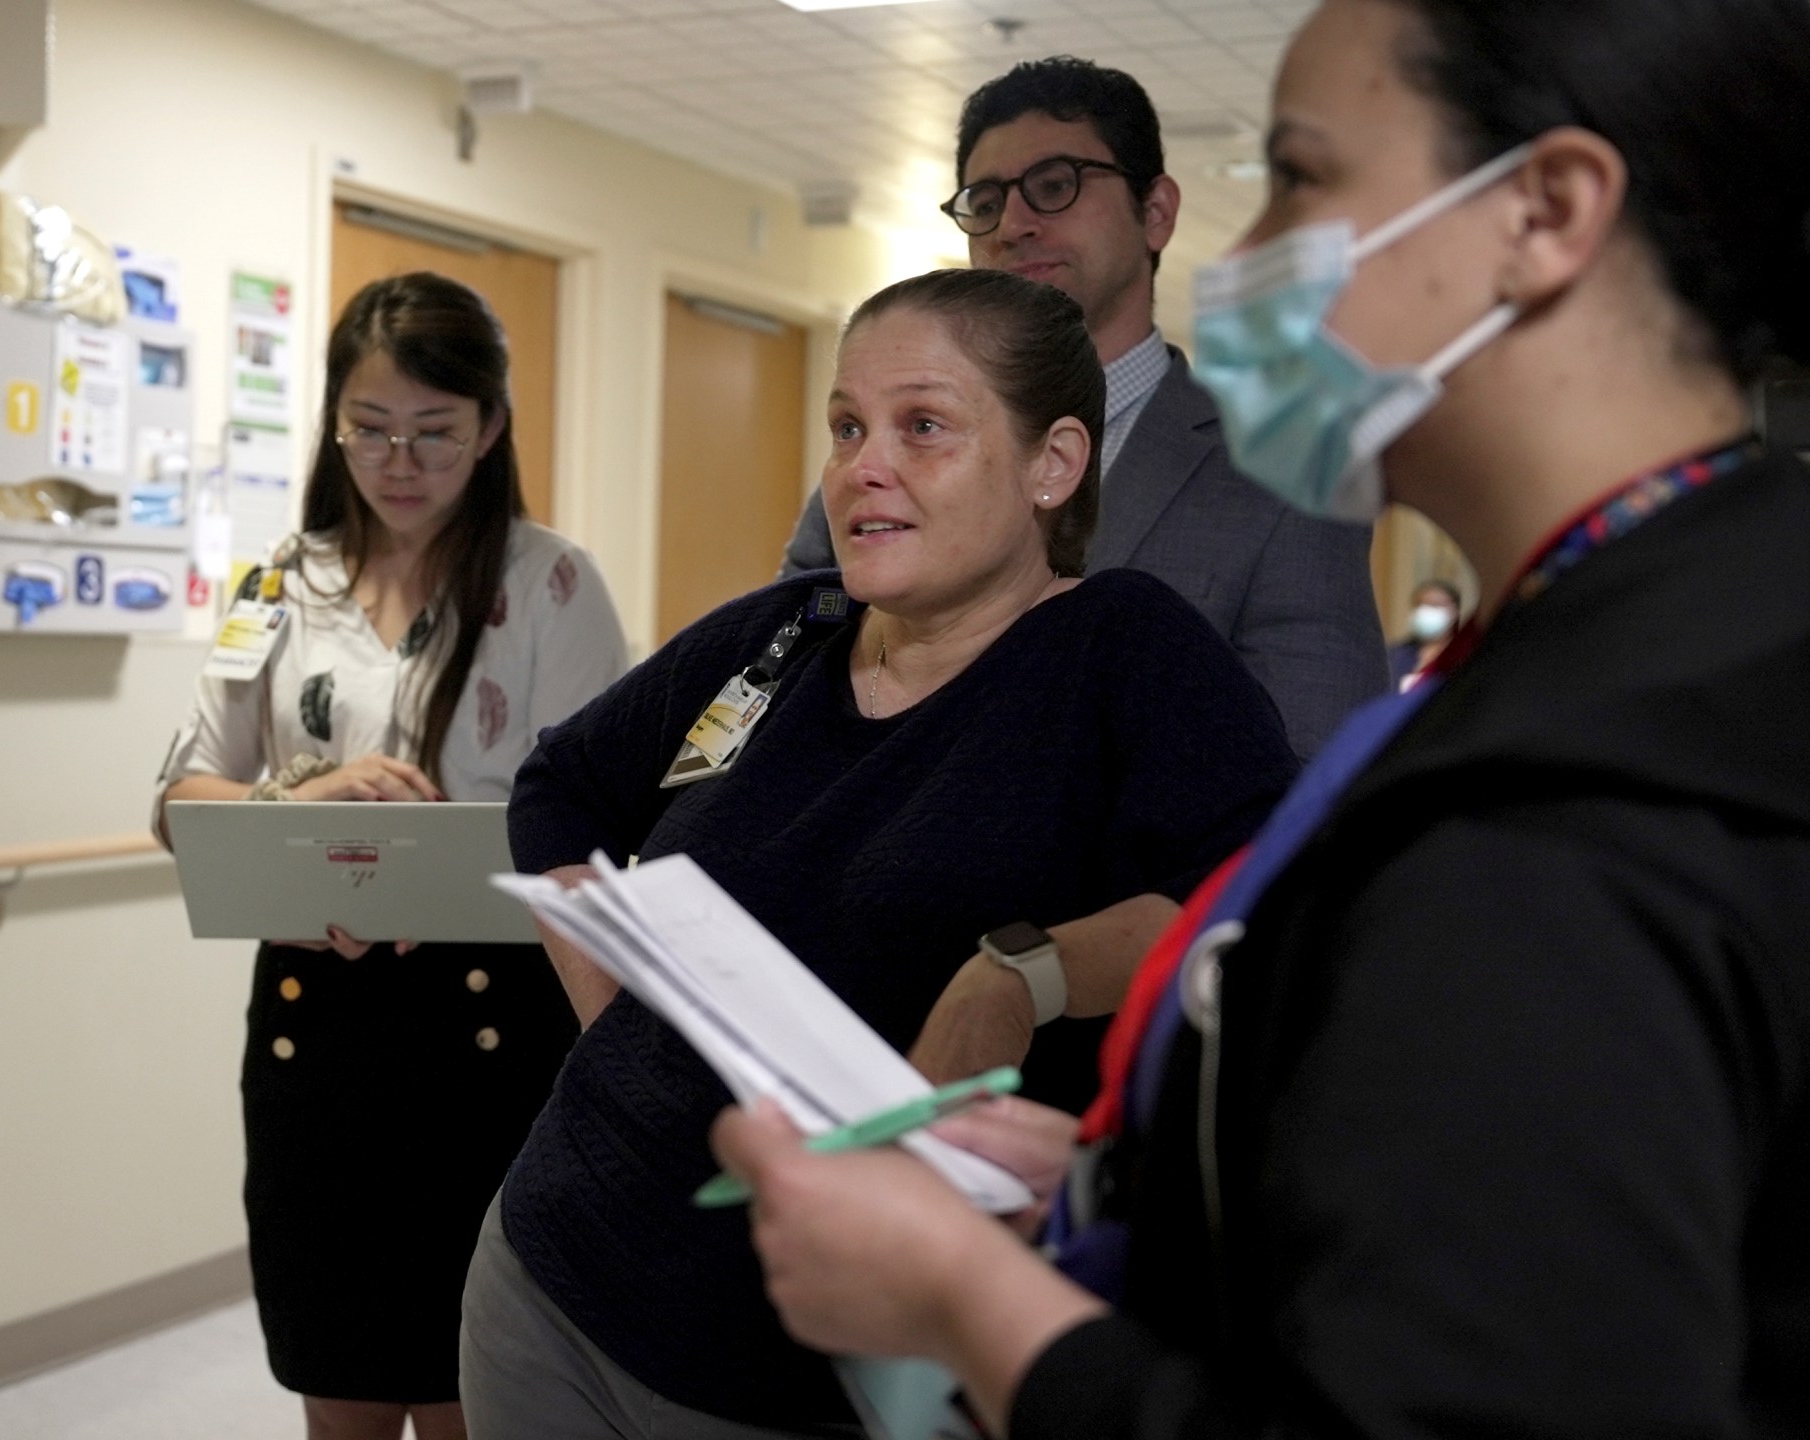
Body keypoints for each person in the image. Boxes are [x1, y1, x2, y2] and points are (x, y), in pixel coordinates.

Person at [711, 2, 1810, 1436]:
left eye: (1302, 177)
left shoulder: (1564, 824)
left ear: (1543, 213)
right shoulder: (1666, 614)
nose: (1247, 258)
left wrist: (972, 1308)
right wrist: (1165, 1179)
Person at [459, 268, 1298, 1438]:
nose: (863, 465)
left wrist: (1017, 972)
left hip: (817, 1372)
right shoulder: (783, 633)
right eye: (846, 427)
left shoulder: (1121, 651)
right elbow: (561, 784)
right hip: (550, 1276)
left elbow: (1249, 902)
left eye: (924, 428)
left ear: (1053, 463)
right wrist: (613, 1005)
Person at [155, 273, 628, 1440]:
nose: (398, 461)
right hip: (316, 1020)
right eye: (368, 429)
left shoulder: (550, 583)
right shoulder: (277, 581)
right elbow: (181, 794)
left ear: (491, 431)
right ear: (333, 423)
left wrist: (426, 868)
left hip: (494, 1023)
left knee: (479, 1377)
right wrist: (304, 793)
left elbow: (597, 819)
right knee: (343, 1369)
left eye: (434, 433)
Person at [780, 57, 1385, 762]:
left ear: (1155, 212)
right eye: (985, 199)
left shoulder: (1282, 470)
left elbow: (1313, 770)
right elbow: (778, 676)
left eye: (1053, 185)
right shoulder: (885, 459)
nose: (1012, 224)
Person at [1386, 576, 1460, 689]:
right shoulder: (1394, 656)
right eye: (1421, 605)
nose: (1427, 611)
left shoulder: (1463, 654)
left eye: (1436, 605)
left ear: (1454, 612)